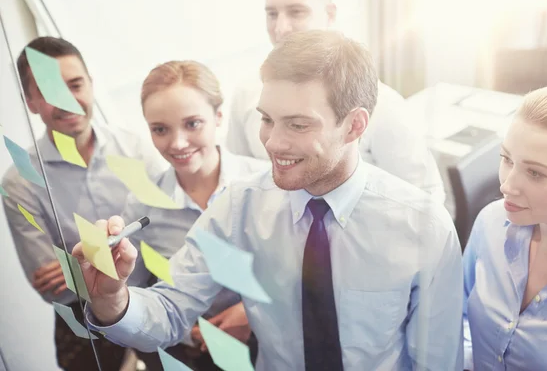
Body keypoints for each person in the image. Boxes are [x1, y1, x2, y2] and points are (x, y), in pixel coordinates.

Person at [74, 30, 463, 370]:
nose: (273, 143)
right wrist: (114, 300)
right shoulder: (240, 206)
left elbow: (436, 361)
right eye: (266, 119)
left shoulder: (424, 227)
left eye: (297, 124)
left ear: (354, 125)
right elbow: (172, 309)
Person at [2, 36, 165, 370]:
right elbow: (54, 289)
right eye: (49, 92)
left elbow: (169, 241)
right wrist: (126, 251)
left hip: (155, 300)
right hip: (84, 327)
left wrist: (77, 265)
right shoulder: (20, 182)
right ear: (30, 101)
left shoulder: (139, 149)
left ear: (90, 85)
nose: (66, 101)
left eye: (75, 85)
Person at [226, 0, 445, 202]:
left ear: (329, 14)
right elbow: (238, 176)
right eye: (272, 14)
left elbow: (426, 200)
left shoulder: (383, 106)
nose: (281, 28)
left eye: (296, 12)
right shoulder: (246, 95)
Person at [123, 60, 267, 369]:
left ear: (218, 117)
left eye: (192, 124)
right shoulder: (142, 209)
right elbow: (133, 292)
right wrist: (189, 333)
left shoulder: (266, 183)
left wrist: (250, 313)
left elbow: (302, 272)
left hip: (275, 343)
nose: (177, 143)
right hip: (194, 354)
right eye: (160, 129)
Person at [462, 84, 547, 370]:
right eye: (506, 159)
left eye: (535, 173)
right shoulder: (491, 223)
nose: (506, 185)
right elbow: (457, 316)